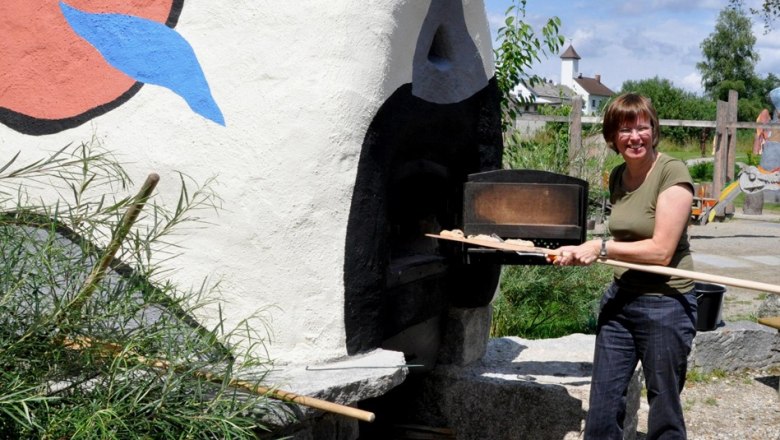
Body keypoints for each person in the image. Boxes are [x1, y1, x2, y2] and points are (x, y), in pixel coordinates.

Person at [550, 93, 697, 439]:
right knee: (601, 409)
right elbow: (623, 243)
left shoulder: (672, 172)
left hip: (666, 302)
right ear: (612, 137)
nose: (635, 136)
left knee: (664, 409)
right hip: (621, 300)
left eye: (642, 127)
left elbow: (661, 250)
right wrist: (578, 251)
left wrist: (599, 248)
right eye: (625, 129)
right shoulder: (617, 176)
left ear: (654, 129)